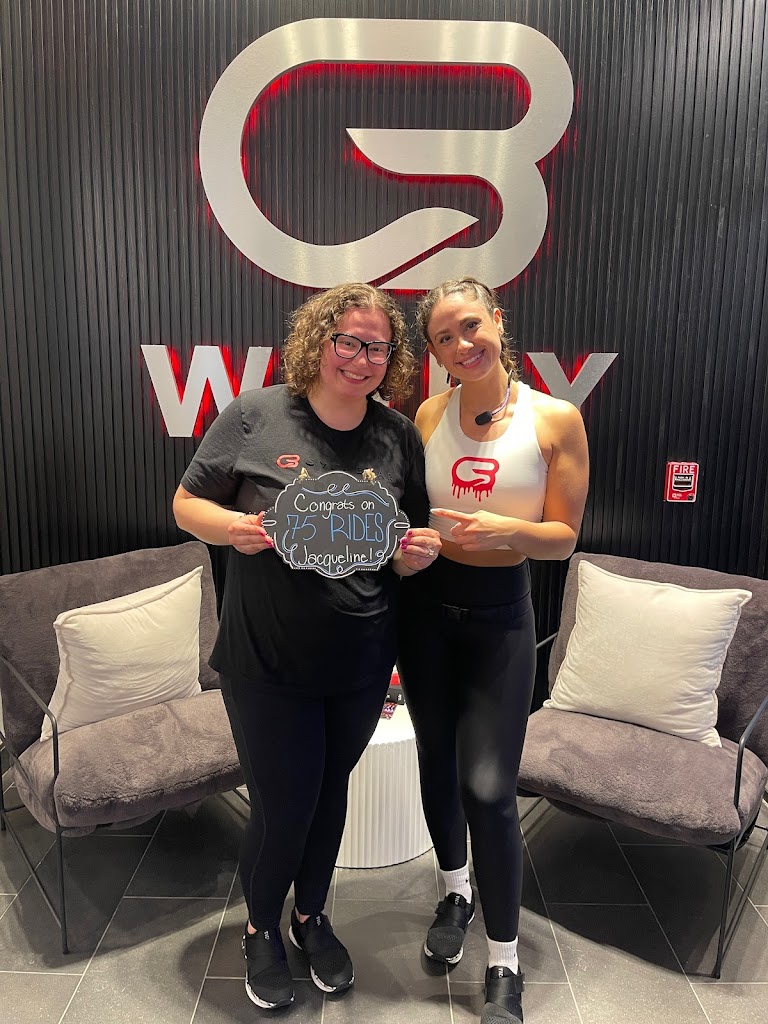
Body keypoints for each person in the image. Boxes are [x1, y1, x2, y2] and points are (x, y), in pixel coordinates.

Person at [173, 283, 441, 1011]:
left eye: (377, 347)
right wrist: (231, 529)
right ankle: (260, 927)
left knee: (328, 797)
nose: (361, 358)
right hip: (266, 660)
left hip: (360, 663)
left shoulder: (397, 435)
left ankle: (311, 917)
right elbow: (186, 503)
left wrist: (413, 557)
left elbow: (400, 543)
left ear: (392, 357)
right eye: (347, 341)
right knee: (284, 803)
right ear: (319, 342)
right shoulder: (256, 416)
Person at [397, 277, 589, 1024]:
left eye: (470, 326)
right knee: (436, 769)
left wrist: (506, 530)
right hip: (426, 615)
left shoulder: (554, 418)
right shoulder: (428, 413)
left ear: (498, 322)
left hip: (501, 618)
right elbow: (414, 511)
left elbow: (563, 538)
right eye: (444, 337)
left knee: (488, 788)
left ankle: (504, 960)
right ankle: (455, 892)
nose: (461, 345)